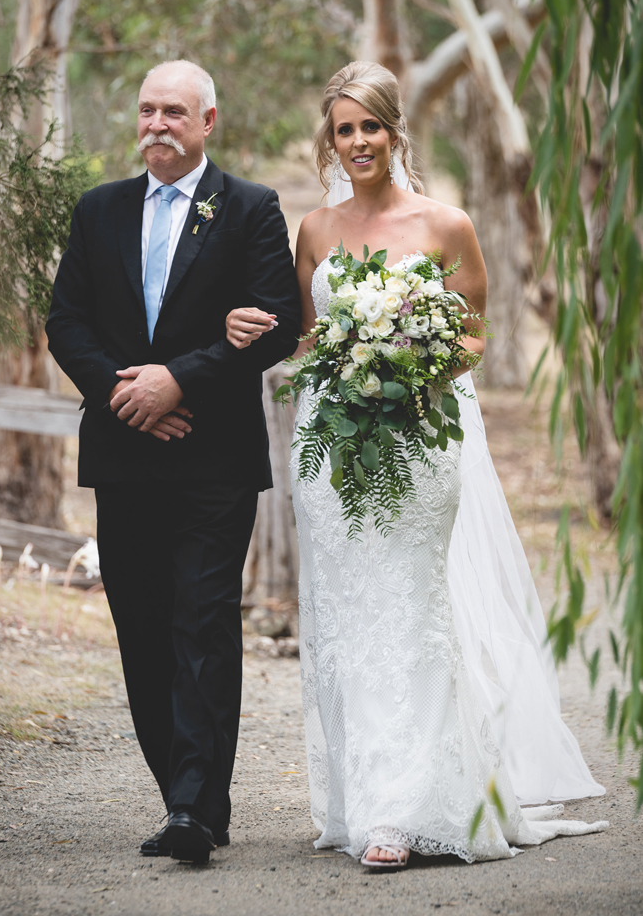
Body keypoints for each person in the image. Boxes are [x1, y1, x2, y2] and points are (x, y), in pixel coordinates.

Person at [225, 61, 607, 870]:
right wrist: (246, 327)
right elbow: (304, 337)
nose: (358, 141)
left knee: (409, 606)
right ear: (329, 143)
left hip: (419, 438)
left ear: (396, 132)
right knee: (347, 617)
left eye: (370, 126)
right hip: (332, 446)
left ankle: (410, 806)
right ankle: (364, 798)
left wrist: (413, 362)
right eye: (343, 129)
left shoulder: (446, 224)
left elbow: (475, 331)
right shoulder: (316, 233)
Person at [46, 60, 301, 863]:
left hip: (213, 458)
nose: (157, 124)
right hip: (124, 454)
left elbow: (282, 324)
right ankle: (179, 790)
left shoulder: (251, 210)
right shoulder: (99, 211)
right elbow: (66, 322)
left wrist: (179, 378)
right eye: (147, 111)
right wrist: (129, 393)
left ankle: (196, 805)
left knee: (201, 623)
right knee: (144, 631)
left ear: (208, 122)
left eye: (175, 113)